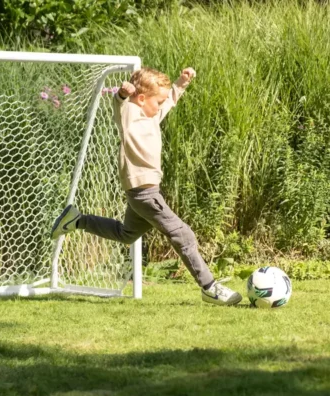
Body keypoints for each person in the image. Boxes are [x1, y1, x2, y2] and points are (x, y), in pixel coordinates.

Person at [51, 66, 242, 305]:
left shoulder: (152, 117)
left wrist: (181, 83)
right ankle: (209, 287)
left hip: (142, 192)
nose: (161, 106)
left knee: (126, 234)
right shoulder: (130, 114)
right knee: (182, 234)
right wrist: (123, 93)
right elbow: (119, 103)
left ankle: (77, 220)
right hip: (144, 193)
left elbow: (169, 101)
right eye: (157, 101)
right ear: (142, 99)